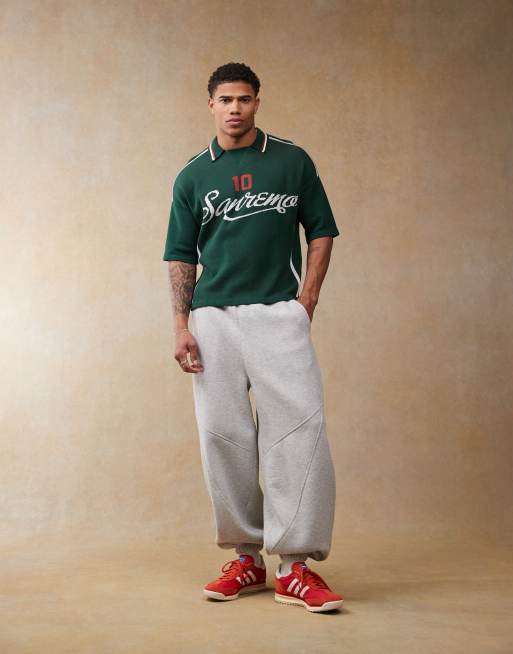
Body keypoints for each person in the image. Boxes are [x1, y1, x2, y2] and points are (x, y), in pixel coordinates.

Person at [163, 62, 343, 613]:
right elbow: (180, 255)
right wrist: (181, 326)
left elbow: (321, 230)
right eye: (225, 100)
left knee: (298, 431)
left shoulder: (291, 161)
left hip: (277, 313)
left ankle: (294, 567)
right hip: (213, 318)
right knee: (223, 435)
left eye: (244, 99)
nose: (235, 108)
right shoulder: (193, 176)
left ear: (257, 103)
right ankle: (247, 557)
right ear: (210, 105)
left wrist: (306, 300)